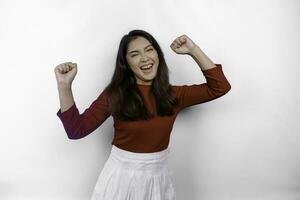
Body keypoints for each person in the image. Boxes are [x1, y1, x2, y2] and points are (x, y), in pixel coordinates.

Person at [54, 29, 231, 200]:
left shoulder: (174, 95)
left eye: (149, 50)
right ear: (127, 64)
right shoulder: (115, 95)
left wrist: (193, 50)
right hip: (120, 179)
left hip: (158, 178)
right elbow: (76, 130)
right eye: (135, 54)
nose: (145, 58)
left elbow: (220, 87)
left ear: (158, 55)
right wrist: (64, 86)